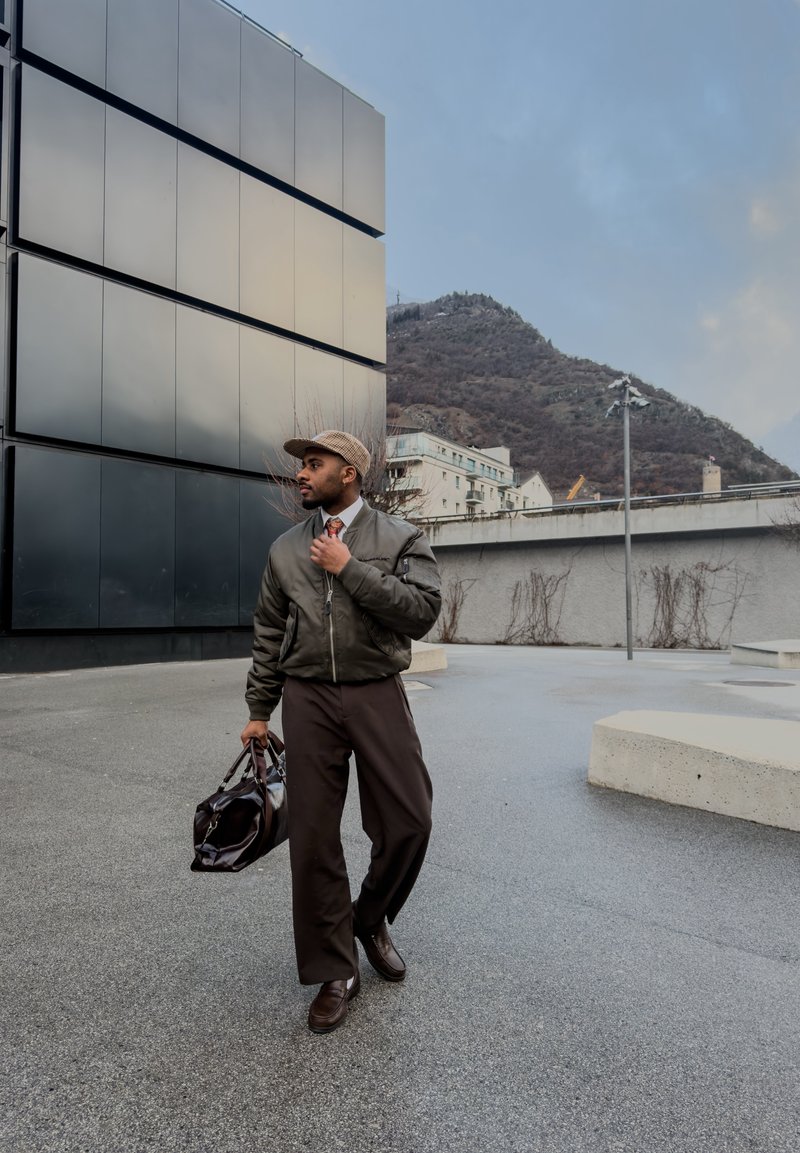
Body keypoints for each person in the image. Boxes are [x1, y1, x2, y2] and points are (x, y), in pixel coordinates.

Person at [241, 430, 441, 1034]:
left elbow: (422, 613)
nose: (301, 474)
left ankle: (368, 917)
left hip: (376, 689)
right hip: (307, 699)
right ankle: (336, 971)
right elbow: (269, 633)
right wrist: (259, 709)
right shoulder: (283, 550)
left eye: (313, 464)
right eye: (301, 465)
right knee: (313, 837)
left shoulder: (400, 537)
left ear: (348, 473)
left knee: (410, 819)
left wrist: (350, 569)